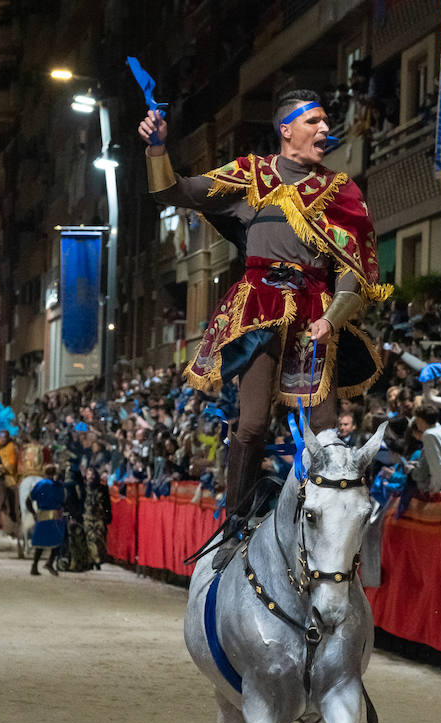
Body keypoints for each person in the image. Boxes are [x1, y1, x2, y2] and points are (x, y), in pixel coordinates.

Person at [140, 90, 388, 561]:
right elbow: (173, 191)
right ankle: (233, 525)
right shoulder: (251, 177)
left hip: (316, 314)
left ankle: (321, 533)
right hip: (260, 309)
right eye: (313, 121)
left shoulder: (342, 191)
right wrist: (157, 148)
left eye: (325, 122)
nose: (323, 129)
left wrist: (331, 321)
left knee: (325, 433)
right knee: (252, 425)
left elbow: (351, 272)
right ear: (286, 129)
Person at [27, 464, 66, 576]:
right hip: (57, 517)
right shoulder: (58, 486)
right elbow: (63, 504)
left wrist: (34, 513)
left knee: (40, 544)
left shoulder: (40, 485)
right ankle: (49, 562)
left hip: (41, 516)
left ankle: (34, 566)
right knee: (58, 541)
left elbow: (28, 501)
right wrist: (67, 517)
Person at [410, 402, 441, 494]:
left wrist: (435, 487)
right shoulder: (440, 429)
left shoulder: (429, 435)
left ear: (422, 420)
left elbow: (436, 464)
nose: (416, 422)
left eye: (417, 419)